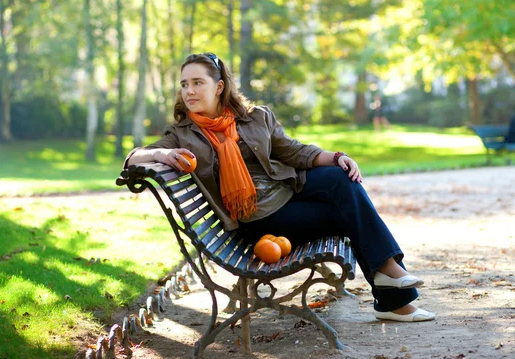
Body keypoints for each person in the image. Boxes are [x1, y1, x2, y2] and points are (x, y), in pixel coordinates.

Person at [125, 52, 435, 322]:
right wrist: (163, 154)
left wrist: (338, 157)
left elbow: (293, 151)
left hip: (287, 193)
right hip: (259, 223)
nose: (188, 91)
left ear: (219, 87)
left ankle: (389, 279)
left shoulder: (255, 118)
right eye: (184, 84)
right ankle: (392, 288)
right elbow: (133, 157)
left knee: (343, 180)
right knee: (348, 211)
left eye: (197, 83)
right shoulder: (183, 135)